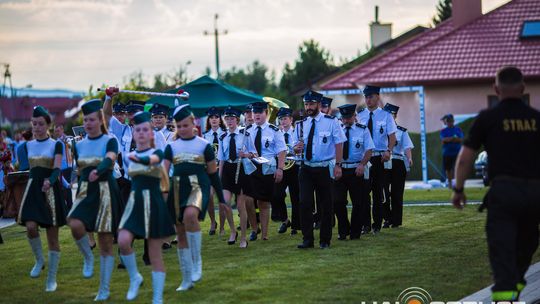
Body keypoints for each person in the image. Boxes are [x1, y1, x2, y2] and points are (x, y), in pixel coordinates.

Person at [452, 66, 540, 302]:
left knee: (501, 249)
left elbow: (465, 158)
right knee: (527, 243)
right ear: (522, 89)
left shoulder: (488, 118)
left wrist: (458, 190)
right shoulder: (536, 118)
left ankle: (505, 294)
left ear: (496, 88)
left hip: (503, 193)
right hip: (534, 195)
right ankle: (516, 282)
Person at [163, 104, 226, 291]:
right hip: (177, 188)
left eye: (185, 125)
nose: (182, 129)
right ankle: (186, 278)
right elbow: (164, 174)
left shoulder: (204, 145)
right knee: (180, 232)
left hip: (199, 185)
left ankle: (197, 261)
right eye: (179, 126)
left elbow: (213, 174)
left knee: (190, 216)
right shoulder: (171, 147)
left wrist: (222, 199)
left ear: (193, 124)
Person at [67, 99, 123, 301]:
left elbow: (110, 159)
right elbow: (80, 170)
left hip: (106, 189)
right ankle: (88, 257)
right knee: (74, 223)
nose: (88, 123)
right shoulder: (78, 145)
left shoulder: (110, 140)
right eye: (85, 119)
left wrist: (98, 171)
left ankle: (104, 289)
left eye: (92, 119)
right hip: (85, 190)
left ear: (100, 120)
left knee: (106, 242)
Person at [117, 112, 175, 303]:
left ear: (152, 134)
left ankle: (157, 297)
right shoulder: (128, 156)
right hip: (135, 202)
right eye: (137, 130)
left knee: (154, 254)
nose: (141, 133)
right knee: (123, 240)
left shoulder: (157, 152)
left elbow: (152, 161)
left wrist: (138, 159)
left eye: (145, 130)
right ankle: (135, 277)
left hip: (153, 202)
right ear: (133, 133)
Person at [16, 106, 67, 292]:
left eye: (41, 124)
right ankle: (39, 260)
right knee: (30, 227)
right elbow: (23, 168)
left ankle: (52, 279)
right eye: (34, 124)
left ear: (48, 125)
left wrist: (50, 181)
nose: (37, 127)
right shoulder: (26, 146)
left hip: (50, 189)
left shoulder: (56, 144)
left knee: (53, 238)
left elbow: (57, 168)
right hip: (32, 189)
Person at [293, 90, 346, 249]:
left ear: (318, 104)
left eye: (311, 104)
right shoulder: (300, 124)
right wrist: (297, 148)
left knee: (326, 204)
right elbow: (295, 148)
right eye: (306, 104)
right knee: (305, 203)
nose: (308, 107)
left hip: (324, 168)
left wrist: (338, 165)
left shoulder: (331, 122)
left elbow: (339, 143)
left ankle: (325, 240)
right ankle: (307, 239)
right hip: (306, 168)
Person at [356, 85, 397, 234]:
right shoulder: (360, 116)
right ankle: (365, 225)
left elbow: (392, 136)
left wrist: (389, 150)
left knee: (377, 192)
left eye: (371, 97)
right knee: (363, 193)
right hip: (364, 159)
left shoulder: (386, 116)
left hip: (379, 158)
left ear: (377, 97)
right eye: (366, 97)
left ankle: (377, 224)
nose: (368, 100)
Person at [246, 101, 287, 241]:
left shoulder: (274, 130)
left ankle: (264, 234)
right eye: (254, 112)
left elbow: (282, 151)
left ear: (266, 113)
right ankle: (254, 228)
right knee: (248, 201)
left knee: (263, 202)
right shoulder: (247, 131)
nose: (256, 115)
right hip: (251, 169)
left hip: (267, 169)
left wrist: (280, 169)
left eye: (259, 112)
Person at [217, 106, 257, 248]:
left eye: (232, 118)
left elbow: (255, 154)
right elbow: (221, 159)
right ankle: (233, 231)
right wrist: (219, 178)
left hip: (241, 169)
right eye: (227, 119)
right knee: (225, 203)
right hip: (228, 169)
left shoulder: (245, 134)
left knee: (241, 206)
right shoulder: (222, 136)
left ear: (237, 120)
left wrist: (245, 154)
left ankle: (243, 238)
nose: (229, 121)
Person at [333, 104, 374, 240]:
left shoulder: (363, 130)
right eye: (344, 118)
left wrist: (362, 164)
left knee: (358, 203)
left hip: (356, 170)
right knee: (338, 202)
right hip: (340, 169)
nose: (346, 120)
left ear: (354, 117)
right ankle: (343, 230)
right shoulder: (337, 129)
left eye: (349, 117)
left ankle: (355, 232)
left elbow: (369, 149)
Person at [381, 103, 413, 228]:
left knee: (397, 192)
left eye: (391, 115)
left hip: (397, 162)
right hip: (383, 161)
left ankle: (396, 220)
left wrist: (409, 158)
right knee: (383, 192)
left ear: (395, 116)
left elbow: (407, 147)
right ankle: (386, 218)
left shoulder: (401, 131)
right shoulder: (380, 131)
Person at [272, 107, 300, 235]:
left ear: (291, 119)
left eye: (285, 119)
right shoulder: (276, 133)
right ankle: (285, 220)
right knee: (277, 195)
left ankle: (295, 225)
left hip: (295, 167)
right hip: (281, 167)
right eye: (281, 119)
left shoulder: (298, 132)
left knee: (295, 197)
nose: (282, 121)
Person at [202, 106, 227, 236]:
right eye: (211, 117)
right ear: (208, 120)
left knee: (221, 198)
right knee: (209, 196)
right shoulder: (205, 136)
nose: (214, 119)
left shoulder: (226, 133)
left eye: (216, 117)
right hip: (210, 170)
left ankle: (222, 227)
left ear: (220, 119)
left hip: (223, 168)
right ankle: (213, 222)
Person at [440, 113, 463, 189]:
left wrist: (449, 139)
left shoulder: (458, 129)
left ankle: (457, 183)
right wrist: (453, 138)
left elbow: (460, 139)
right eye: (448, 121)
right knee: (448, 169)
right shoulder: (443, 130)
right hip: (447, 153)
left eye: (450, 121)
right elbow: (443, 140)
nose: (449, 123)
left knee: (457, 168)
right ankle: (450, 184)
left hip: (457, 152)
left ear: (453, 121)